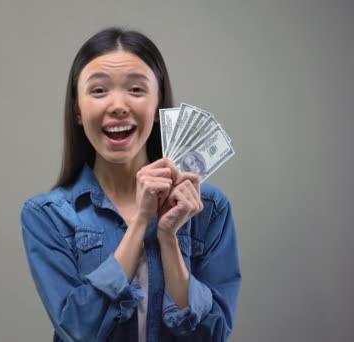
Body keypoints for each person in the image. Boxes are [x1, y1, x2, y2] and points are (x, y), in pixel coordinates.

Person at [20, 27, 241, 342]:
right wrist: (140, 224)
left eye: (136, 90)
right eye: (98, 91)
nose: (118, 105)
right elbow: (77, 330)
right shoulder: (47, 215)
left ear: (157, 105)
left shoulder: (208, 208)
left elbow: (212, 334)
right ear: (77, 111)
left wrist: (167, 237)